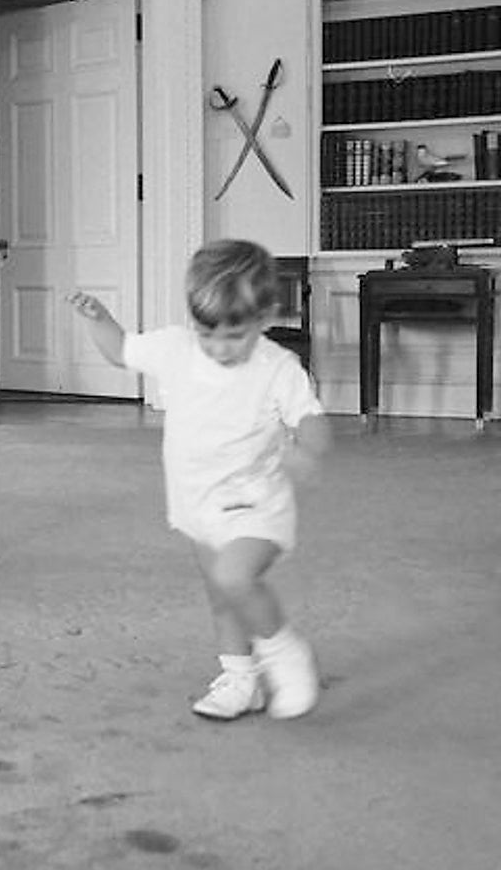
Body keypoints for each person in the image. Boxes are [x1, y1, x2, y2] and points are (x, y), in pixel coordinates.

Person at [68, 238, 330, 721]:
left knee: (235, 576)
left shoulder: (277, 368)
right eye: (207, 334)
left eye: (235, 336)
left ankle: (286, 655)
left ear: (265, 317)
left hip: (257, 504)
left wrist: (306, 451)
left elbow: (312, 420)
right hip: (196, 506)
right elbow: (121, 350)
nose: (218, 347)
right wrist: (98, 318)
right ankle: (240, 679)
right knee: (222, 597)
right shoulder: (176, 349)